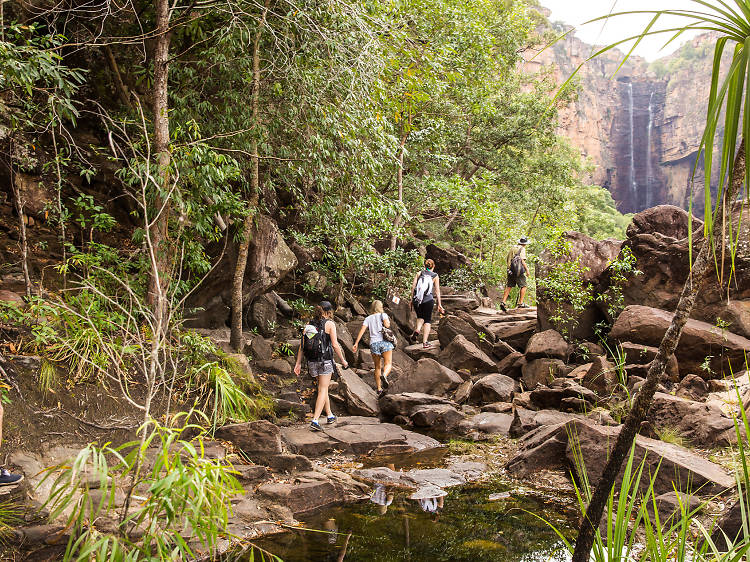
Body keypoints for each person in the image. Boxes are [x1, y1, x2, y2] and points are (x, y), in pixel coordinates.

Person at [294, 301, 349, 431]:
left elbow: (302, 346)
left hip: (312, 362)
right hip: (325, 361)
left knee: (322, 388)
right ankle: (315, 420)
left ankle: (329, 415)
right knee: (323, 389)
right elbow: (335, 345)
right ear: (329, 312)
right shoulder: (330, 324)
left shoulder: (309, 325)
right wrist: (343, 361)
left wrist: (298, 363)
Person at [353, 300, 394, 398]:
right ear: (381, 307)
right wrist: (386, 320)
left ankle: (379, 389)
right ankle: (384, 375)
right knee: (388, 364)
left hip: (374, 344)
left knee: (377, 367)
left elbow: (362, 331)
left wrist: (356, 343)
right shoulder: (383, 315)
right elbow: (388, 326)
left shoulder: (368, 318)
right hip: (384, 342)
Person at [409, 259, 444, 349]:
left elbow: (413, 287)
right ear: (433, 266)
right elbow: (437, 291)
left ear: (425, 266)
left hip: (417, 300)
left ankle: (417, 330)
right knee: (427, 320)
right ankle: (425, 342)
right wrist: (439, 304)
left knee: (420, 317)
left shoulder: (419, 273)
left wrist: (411, 300)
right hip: (428, 300)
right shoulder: (435, 276)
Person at [500, 237, 530, 311]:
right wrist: (527, 270)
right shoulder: (522, 249)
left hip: (510, 270)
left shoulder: (512, 248)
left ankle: (503, 302)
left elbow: (508, 259)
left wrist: (509, 268)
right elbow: (522, 260)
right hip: (518, 271)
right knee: (524, 286)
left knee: (509, 286)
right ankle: (520, 303)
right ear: (525, 244)